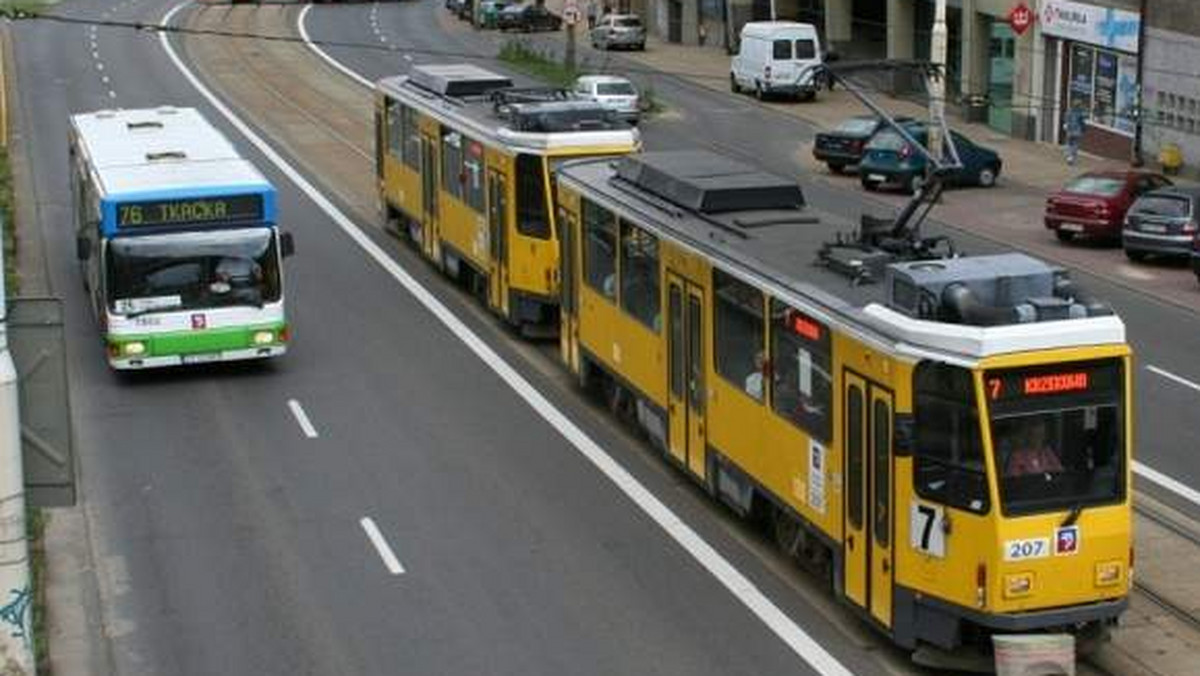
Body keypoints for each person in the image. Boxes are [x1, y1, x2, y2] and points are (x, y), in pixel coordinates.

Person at [1064, 101, 1086, 166]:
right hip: (1077, 131)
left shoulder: (1069, 112)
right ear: (1079, 106)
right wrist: (1083, 129)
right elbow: (1082, 122)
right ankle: (1073, 158)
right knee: (1075, 145)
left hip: (1070, 131)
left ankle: (1069, 157)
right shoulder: (1080, 113)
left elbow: (1066, 120)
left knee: (1069, 144)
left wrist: (1066, 126)